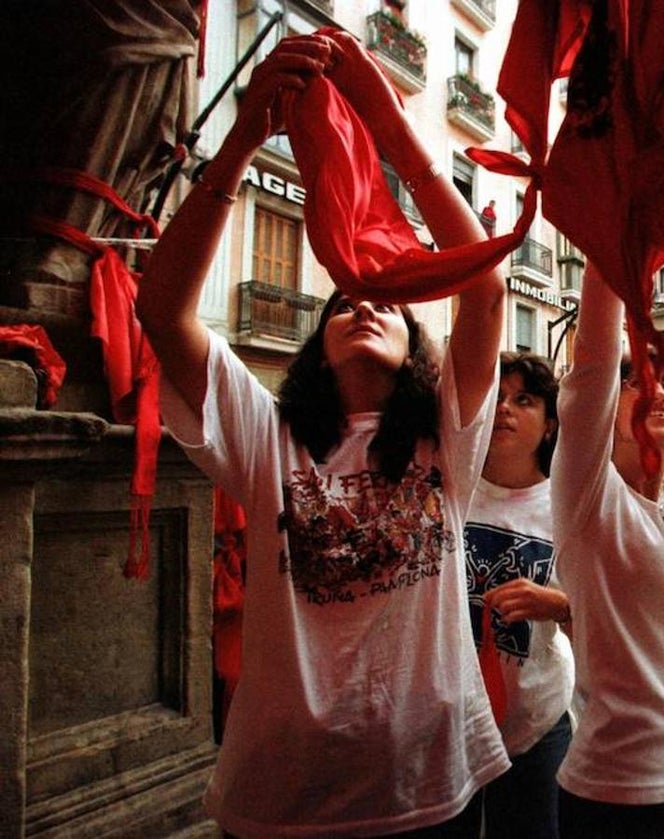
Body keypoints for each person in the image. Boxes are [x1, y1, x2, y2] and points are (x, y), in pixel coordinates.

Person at [137, 32, 510, 837]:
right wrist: (240, 142)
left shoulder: (447, 436)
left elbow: (483, 289)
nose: (364, 302)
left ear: (419, 349)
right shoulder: (265, 438)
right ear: (316, 345)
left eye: (386, 301)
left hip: (432, 792)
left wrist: (394, 135)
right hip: (283, 800)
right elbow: (163, 311)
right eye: (342, 302)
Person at [551, 264, 664, 839]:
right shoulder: (588, 493)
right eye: (636, 380)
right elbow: (593, 364)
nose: (658, 390)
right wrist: (608, 246)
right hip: (612, 786)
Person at [464, 351, 574, 839]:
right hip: (451, 723)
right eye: (498, 398)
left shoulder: (570, 508)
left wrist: (557, 605)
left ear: (550, 425)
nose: (505, 408)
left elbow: (605, 615)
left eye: (524, 399)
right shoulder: (451, 490)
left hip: (538, 725)